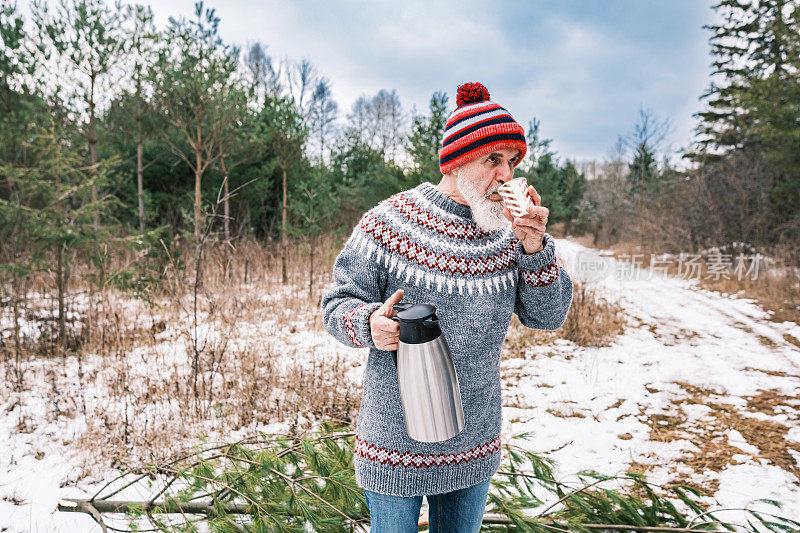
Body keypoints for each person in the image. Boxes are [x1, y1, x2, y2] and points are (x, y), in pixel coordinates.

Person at [321, 81, 574, 532]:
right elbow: (336, 303)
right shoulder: (389, 222)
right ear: (457, 162)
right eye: (492, 160)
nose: (505, 175)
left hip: (473, 439)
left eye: (511, 162)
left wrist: (536, 248)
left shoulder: (510, 234)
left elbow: (548, 316)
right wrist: (368, 322)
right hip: (394, 438)